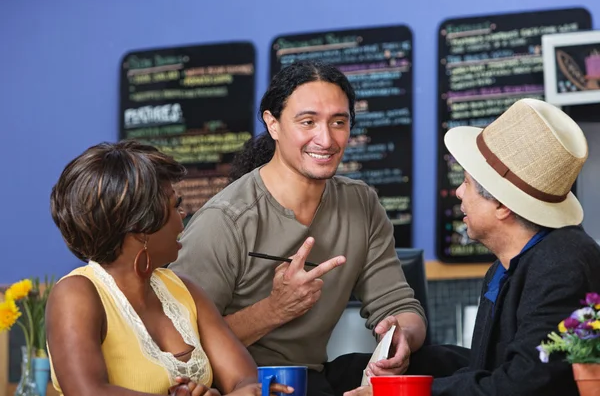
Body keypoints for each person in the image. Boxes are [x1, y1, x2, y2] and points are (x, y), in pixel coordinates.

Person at [169, 60, 427, 396]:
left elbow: (399, 305)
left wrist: (400, 336)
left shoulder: (361, 203)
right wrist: (273, 310)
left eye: (339, 122)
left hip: (313, 377)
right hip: (245, 384)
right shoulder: (225, 219)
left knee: (446, 364)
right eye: (308, 122)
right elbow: (180, 349)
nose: (326, 138)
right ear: (272, 124)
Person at [346, 98, 600, 396]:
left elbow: (524, 384)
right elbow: (486, 372)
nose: (458, 192)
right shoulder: (503, 268)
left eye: (466, 182)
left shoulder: (562, 262)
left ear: (502, 205)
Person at [47, 141, 293, 396]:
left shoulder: (185, 290)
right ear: (141, 224)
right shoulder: (76, 293)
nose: (183, 215)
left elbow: (244, 380)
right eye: (175, 206)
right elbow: (87, 392)